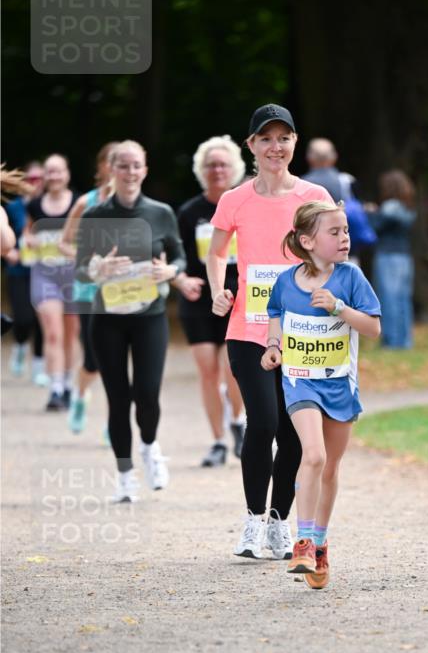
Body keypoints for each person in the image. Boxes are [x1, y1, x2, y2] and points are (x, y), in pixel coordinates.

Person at [207, 103, 330, 559]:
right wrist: (220, 287)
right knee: (262, 421)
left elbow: (333, 248)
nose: (275, 147)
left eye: (284, 138)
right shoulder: (234, 199)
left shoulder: (313, 196)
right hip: (248, 328)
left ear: (294, 143)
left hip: (302, 332)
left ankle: (280, 521)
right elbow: (218, 251)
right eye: (266, 138)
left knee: (294, 432)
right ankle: (252, 521)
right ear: (252, 146)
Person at [262, 201, 381, 587]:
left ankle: (321, 543)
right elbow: (276, 313)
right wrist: (273, 346)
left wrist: (339, 307)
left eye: (346, 231)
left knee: (330, 467)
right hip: (299, 380)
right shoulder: (285, 281)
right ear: (307, 240)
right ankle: (303, 542)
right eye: (335, 232)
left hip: (339, 385)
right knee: (313, 455)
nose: (345, 238)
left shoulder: (351, 278)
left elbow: (373, 329)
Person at [76, 140, 186, 503]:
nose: (130, 172)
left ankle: (150, 448)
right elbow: (80, 269)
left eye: (136, 165)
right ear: (111, 169)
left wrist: (169, 270)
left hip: (149, 317)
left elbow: (181, 258)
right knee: (118, 399)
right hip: (106, 319)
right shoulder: (94, 216)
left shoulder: (161, 213)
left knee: (147, 395)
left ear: (145, 169)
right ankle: (124, 476)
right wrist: (98, 268)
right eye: (122, 166)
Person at [176, 136, 246, 467]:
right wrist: (182, 278)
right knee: (208, 371)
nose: (217, 170)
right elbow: (177, 257)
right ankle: (218, 440)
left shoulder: (246, 205)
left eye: (223, 164)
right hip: (200, 298)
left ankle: (239, 420)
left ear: (235, 168)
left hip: (240, 297)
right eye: (211, 165)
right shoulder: (190, 212)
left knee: (234, 370)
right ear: (201, 171)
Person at [60, 142, 118, 433]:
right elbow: (64, 243)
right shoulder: (86, 202)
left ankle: (115, 419)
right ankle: (80, 396)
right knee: (94, 361)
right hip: (89, 290)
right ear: (102, 167)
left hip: (123, 291)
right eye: (112, 161)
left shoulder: (135, 204)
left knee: (118, 358)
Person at [25, 154, 79, 408]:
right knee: (53, 332)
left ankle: (68, 384)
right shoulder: (34, 205)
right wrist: (29, 241)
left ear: (67, 174)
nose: (54, 176)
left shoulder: (79, 203)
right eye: (50, 172)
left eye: (59, 171)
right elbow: (26, 234)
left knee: (71, 334)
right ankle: (55, 389)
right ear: (44, 176)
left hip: (73, 275)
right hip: (45, 275)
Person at [2, 161, 47, 383]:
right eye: (31, 178)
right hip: (19, 270)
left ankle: (39, 366)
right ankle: (20, 346)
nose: (35, 183)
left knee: (42, 320)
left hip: (44, 270)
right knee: (23, 319)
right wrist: (8, 253)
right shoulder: (12, 207)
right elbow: (5, 238)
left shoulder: (47, 206)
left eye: (39, 179)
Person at [369, 169, 417, 349]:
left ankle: (391, 341)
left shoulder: (389, 206)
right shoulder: (407, 207)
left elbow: (376, 226)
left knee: (388, 299)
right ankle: (405, 341)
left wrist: (371, 213)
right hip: (404, 257)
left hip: (388, 256)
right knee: (403, 300)